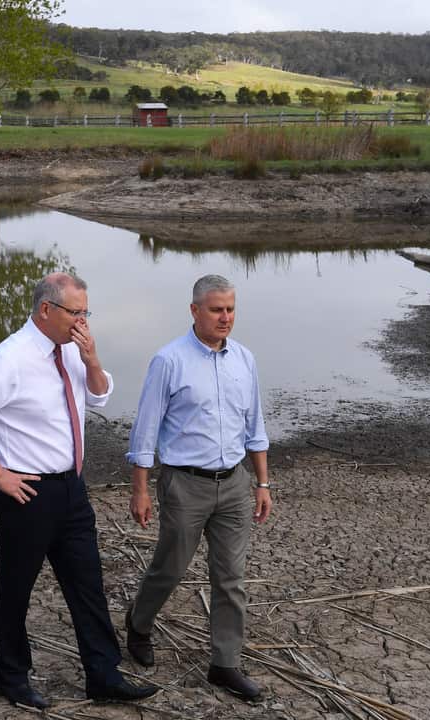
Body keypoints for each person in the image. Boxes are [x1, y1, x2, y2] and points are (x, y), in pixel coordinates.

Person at [0, 272, 158, 709]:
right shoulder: (13, 356)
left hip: (71, 489)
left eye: (86, 312)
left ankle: (102, 675)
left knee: (88, 584)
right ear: (46, 310)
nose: (82, 320)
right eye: (75, 312)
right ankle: (11, 675)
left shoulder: (74, 351)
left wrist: (93, 358)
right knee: (16, 588)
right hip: (26, 493)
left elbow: (99, 397)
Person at [124, 274, 273, 701]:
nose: (225, 317)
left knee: (231, 578)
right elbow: (145, 430)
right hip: (185, 485)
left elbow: (255, 427)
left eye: (230, 309)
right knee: (170, 567)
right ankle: (138, 621)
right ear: (195, 311)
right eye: (216, 309)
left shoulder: (244, 359)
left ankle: (225, 663)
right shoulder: (169, 361)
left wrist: (262, 483)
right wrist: (141, 488)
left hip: (235, 484)